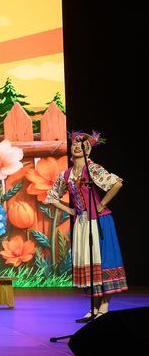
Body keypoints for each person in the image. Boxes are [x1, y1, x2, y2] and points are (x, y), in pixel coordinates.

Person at [45, 131, 126, 322]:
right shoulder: (66, 174)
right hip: (82, 222)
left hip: (99, 221)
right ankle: (94, 306)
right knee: (88, 261)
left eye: (80, 144)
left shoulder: (92, 169)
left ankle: (104, 305)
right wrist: (70, 210)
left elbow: (117, 184)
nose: (76, 146)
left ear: (87, 150)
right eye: (74, 144)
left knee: (101, 259)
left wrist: (101, 204)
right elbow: (51, 197)